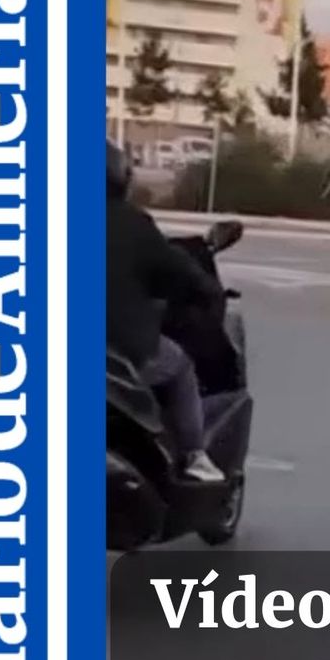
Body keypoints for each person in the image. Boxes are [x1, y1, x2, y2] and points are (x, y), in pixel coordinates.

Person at [106, 141, 225, 482]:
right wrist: (206, 292)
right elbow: (181, 274)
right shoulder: (132, 224)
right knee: (181, 366)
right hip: (119, 354)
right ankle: (193, 455)